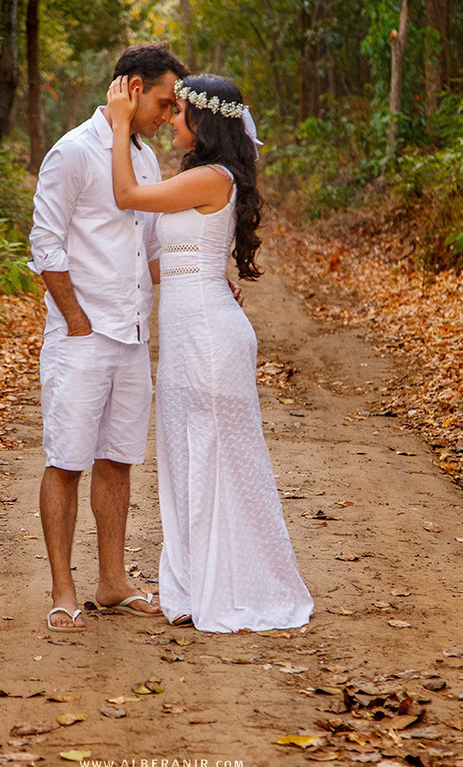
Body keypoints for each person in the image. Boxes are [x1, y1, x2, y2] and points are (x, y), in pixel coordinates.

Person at [106, 73, 314, 633]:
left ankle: (235, 586)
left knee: (215, 460)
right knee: (187, 462)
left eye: (179, 112)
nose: (171, 119)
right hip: (189, 336)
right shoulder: (204, 178)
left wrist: (122, 124)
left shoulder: (211, 177)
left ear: (204, 122)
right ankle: (199, 583)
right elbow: (176, 258)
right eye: (168, 111)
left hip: (207, 341)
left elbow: (126, 196)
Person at [28, 43, 188, 632]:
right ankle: (64, 586)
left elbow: (149, 249)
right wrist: (74, 319)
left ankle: (112, 583)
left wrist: (203, 284)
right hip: (82, 336)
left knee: (117, 460)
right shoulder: (72, 152)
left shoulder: (142, 160)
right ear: (133, 87)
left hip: (131, 333)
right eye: (166, 102)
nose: (170, 116)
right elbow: (44, 244)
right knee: (66, 459)